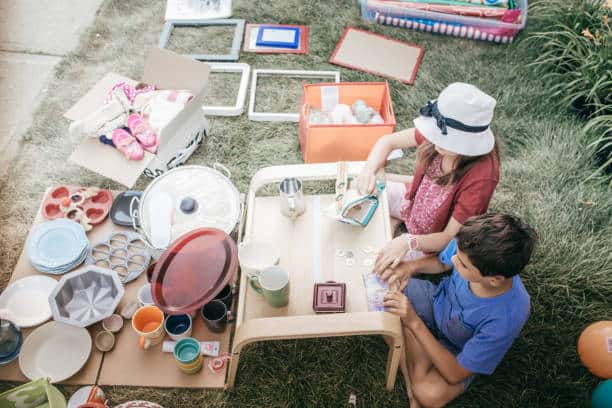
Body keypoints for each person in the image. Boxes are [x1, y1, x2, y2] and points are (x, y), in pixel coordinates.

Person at [381, 213, 537, 407]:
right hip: (437, 301)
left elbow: (455, 374)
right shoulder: (470, 249)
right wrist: (410, 267)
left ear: (494, 280)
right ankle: (413, 390)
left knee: (429, 394)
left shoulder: (507, 316)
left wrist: (413, 322)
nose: (453, 260)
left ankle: (410, 344)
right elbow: (441, 262)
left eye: (463, 265)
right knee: (383, 291)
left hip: (457, 349)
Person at [357, 82, 500, 273]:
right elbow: (387, 141)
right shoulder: (437, 133)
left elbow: (449, 237)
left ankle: (395, 223)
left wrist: (410, 241)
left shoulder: (481, 177)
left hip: (434, 239)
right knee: (360, 190)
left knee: (379, 265)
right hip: (413, 204)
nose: (436, 142)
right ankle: (397, 220)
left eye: (447, 140)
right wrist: (368, 170)